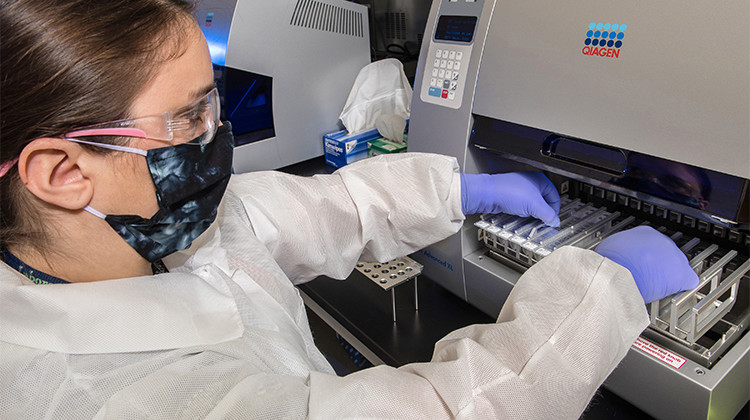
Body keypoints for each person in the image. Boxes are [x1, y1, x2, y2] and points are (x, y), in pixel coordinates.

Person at [0, 0, 698, 418]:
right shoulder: (110, 398)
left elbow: (325, 205)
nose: (217, 135)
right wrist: (598, 295)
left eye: (213, 103)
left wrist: (463, 188)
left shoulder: (132, 239)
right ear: (61, 172)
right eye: (188, 118)